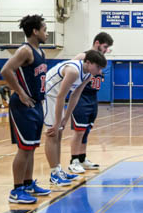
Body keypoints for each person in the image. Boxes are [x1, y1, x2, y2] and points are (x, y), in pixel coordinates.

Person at [0, 14, 51, 205]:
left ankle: (28, 184)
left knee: (31, 148)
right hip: (23, 105)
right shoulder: (25, 50)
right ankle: (16, 190)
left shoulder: (40, 52)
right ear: (35, 31)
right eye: (44, 30)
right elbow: (6, 70)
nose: (47, 33)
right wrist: (21, 93)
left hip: (36, 103)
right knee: (24, 149)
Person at [42, 50, 107, 187]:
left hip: (57, 97)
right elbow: (60, 96)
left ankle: (58, 170)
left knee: (59, 133)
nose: (99, 71)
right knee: (52, 134)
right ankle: (54, 174)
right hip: (48, 95)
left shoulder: (88, 74)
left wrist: (66, 118)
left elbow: (75, 95)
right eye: (98, 67)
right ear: (88, 62)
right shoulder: (73, 71)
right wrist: (57, 122)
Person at [68, 32, 114, 174]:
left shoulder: (100, 60)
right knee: (79, 131)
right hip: (80, 97)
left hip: (93, 98)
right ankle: (74, 161)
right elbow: (67, 68)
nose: (106, 50)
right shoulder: (83, 56)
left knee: (86, 131)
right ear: (97, 43)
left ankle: (82, 158)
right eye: (105, 47)